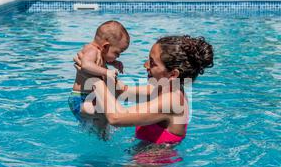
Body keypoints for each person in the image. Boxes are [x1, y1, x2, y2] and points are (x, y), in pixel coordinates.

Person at [75, 35, 214, 145]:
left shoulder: (173, 101)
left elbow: (116, 117)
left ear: (173, 74)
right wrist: (96, 67)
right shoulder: (164, 89)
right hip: (143, 164)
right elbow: (122, 92)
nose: (145, 65)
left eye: (152, 63)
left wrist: (94, 79)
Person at [68, 20, 130, 129]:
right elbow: (86, 65)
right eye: (117, 53)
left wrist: (115, 63)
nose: (118, 56)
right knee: (104, 114)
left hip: (90, 98)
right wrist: (107, 72)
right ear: (105, 46)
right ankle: (102, 137)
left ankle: (101, 135)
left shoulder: (100, 52)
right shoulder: (92, 50)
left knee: (103, 119)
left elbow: (99, 63)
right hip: (80, 99)